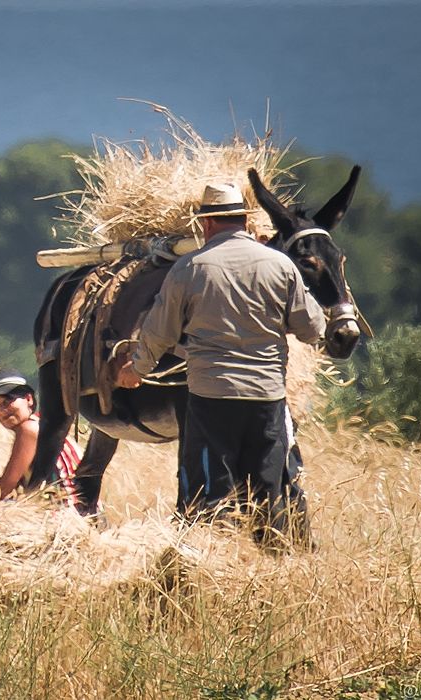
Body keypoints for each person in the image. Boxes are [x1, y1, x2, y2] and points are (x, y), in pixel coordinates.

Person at [114, 183, 325, 549]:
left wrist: (136, 370)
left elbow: (158, 333)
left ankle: (212, 567)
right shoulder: (280, 266)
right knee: (267, 491)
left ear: (206, 225)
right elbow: (313, 328)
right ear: (245, 220)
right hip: (267, 398)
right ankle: (271, 569)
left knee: (209, 494)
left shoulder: (188, 269)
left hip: (212, 399)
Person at [0, 369, 82, 523]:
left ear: (28, 399)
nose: (2, 411)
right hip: (77, 510)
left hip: (64, 513)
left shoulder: (28, 429)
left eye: (7, 401)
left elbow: (6, 487)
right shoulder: (44, 425)